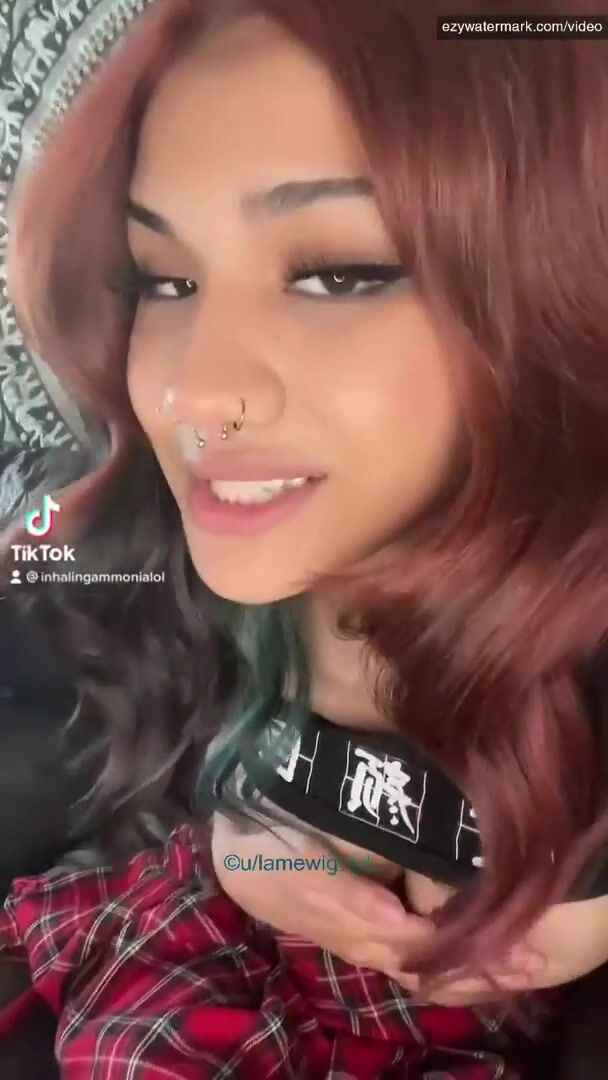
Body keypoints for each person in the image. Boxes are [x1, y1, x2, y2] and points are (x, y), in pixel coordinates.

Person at [1, 0, 608, 1074]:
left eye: (337, 272)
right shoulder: (153, 547)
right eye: (164, 281)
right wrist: (252, 850)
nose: (192, 393)